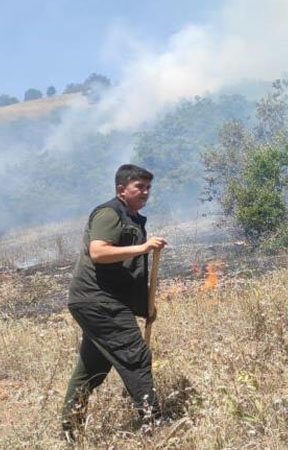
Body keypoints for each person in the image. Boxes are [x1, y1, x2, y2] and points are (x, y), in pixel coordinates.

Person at [61, 164, 168, 442]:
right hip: (97, 300)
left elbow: (128, 270)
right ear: (121, 190)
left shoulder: (132, 219)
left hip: (101, 300)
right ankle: (154, 425)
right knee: (136, 356)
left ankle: (70, 432)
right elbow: (98, 252)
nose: (145, 192)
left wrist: (146, 305)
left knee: (92, 368)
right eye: (139, 187)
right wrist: (144, 247)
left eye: (147, 187)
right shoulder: (109, 213)